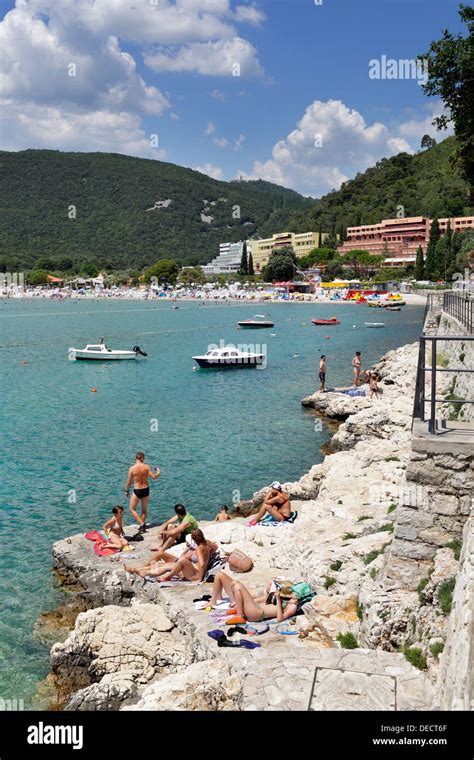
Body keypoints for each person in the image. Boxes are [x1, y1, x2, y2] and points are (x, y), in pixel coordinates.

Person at [125, 529, 218, 582]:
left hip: (194, 574)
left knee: (168, 565)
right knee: (162, 555)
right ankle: (139, 569)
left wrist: (200, 579)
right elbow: (215, 547)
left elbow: (201, 564)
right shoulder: (208, 543)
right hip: (189, 567)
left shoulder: (199, 548)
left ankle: (142, 571)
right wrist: (209, 555)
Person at [208, 572, 298, 622]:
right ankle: (238, 612)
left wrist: (278, 600)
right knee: (235, 584)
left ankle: (239, 617)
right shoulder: (274, 596)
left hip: (257, 613)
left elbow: (280, 618)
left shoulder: (291, 605)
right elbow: (258, 600)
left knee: (238, 586)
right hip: (253, 608)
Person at [125, 452, 160, 531]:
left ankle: (142, 524)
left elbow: (128, 482)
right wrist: (158, 472)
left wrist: (127, 491)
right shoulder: (146, 467)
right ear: (142, 458)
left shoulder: (132, 468)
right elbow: (154, 477)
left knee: (132, 509)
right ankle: (142, 526)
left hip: (137, 490)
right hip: (146, 489)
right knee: (144, 510)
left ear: (136, 458)